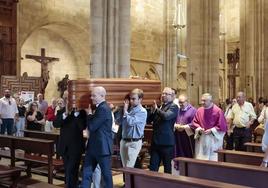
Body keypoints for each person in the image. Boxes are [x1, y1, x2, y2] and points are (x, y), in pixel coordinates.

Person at [81, 86, 113, 188]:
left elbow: (92, 126)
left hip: (102, 148)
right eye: (91, 95)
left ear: (102, 96)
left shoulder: (103, 108)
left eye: (94, 95)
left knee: (106, 176)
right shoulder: (99, 108)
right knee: (86, 173)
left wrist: (89, 114)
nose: (91, 97)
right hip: (93, 147)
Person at [56, 102, 87, 188]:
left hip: (76, 146)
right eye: (66, 99)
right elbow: (56, 124)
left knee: (72, 169)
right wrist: (65, 114)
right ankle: (72, 186)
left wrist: (76, 115)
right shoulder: (61, 111)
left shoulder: (82, 113)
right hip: (64, 146)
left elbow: (82, 127)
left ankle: (69, 186)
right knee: (68, 170)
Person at [148, 87, 179, 174]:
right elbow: (149, 120)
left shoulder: (174, 106)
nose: (163, 95)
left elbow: (166, 117)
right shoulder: (160, 107)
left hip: (167, 143)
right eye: (163, 93)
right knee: (153, 168)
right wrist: (152, 111)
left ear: (172, 96)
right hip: (156, 142)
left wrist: (156, 109)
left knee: (167, 168)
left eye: (166, 94)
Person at [192, 93, 227, 161]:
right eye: (202, 100)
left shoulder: (218, 111)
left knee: (213, 158)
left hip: (213, 139)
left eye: (204, 101)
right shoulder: (199, 110)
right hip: (202, 138)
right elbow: (195, 122)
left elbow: (222, 127)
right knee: (201, 158)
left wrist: (212, 130)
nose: (202, 102)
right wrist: (199, 128)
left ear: (210, 101)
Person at [120, 88, 147, 168]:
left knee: (129, 168)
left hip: (134, 142)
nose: (131, 101)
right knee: (125, 167)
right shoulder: (128, 109)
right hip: (124, 141)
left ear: (140, 99)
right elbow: (118, 121)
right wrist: (118, 110)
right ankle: (127, 181)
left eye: (133, 99)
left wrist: (125, 111)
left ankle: (131, 181)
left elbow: (131, 122)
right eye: (130, 98)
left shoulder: (142, 111)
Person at [173, 94, 196, 172]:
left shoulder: (193, 110)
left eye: (182, 102)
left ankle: (189, 168)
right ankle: (180, 166)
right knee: (179, 150)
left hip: (188, 136)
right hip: (178, 134)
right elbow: (175, 120)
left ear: (187, 101)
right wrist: (176, 125)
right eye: (179, 102)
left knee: (187, 152)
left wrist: (184, 127)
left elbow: (194, 123)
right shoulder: (178, 110)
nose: (180, 104)